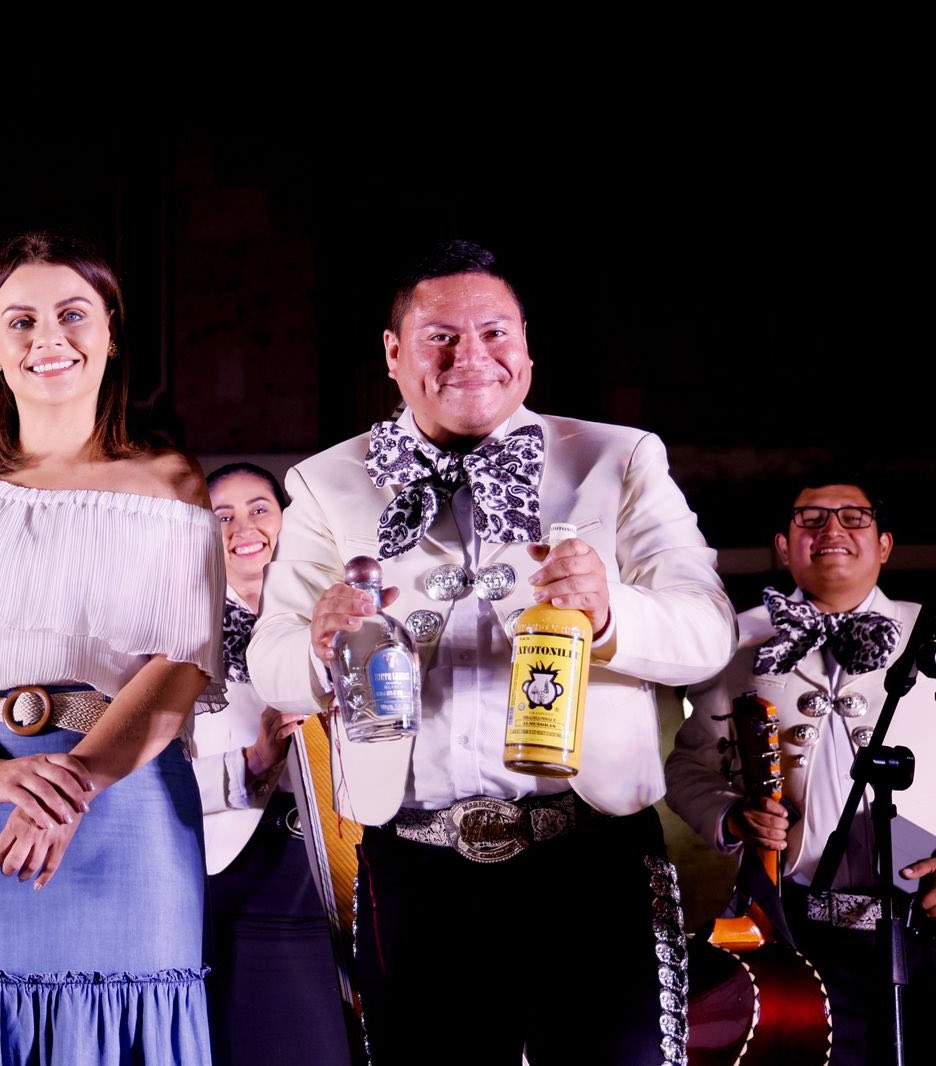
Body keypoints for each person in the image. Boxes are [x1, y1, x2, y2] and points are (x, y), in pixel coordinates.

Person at [246, 239, 737, 1065]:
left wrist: (609, 613)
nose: (470, 355)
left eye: (494, 332)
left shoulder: (619, 458)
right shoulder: (325, 482)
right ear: (394, 354)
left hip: (590, 850)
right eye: (440, 337)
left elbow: (707, 631)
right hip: (414, 862)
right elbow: (272, 663)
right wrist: (320, 643)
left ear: (527, 347)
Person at [0, 232, 225, 1064]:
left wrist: (73, 787)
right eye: (20, 321)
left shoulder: (171, 484)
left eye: (72, 314)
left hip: (123, 801)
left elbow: (180, 665)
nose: (47, 338)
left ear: (111, 333)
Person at [666, 480, 936, 1064]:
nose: (832, 530)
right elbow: (687, 767)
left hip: (927, 921)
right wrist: (731, 815)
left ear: (885, 545)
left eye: (854, 518)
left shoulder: (931, 630)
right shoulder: (735, 640)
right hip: (795, 931)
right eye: (810, 519)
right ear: (783, 547)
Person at [194, 463, 352, 1065]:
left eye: (259, 509)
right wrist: (251, 763)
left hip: (346, 853)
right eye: (223, 516)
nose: (244, 528)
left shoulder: (343, 613)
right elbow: (153, 783)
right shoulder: (182, 638)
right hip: (240, 868)